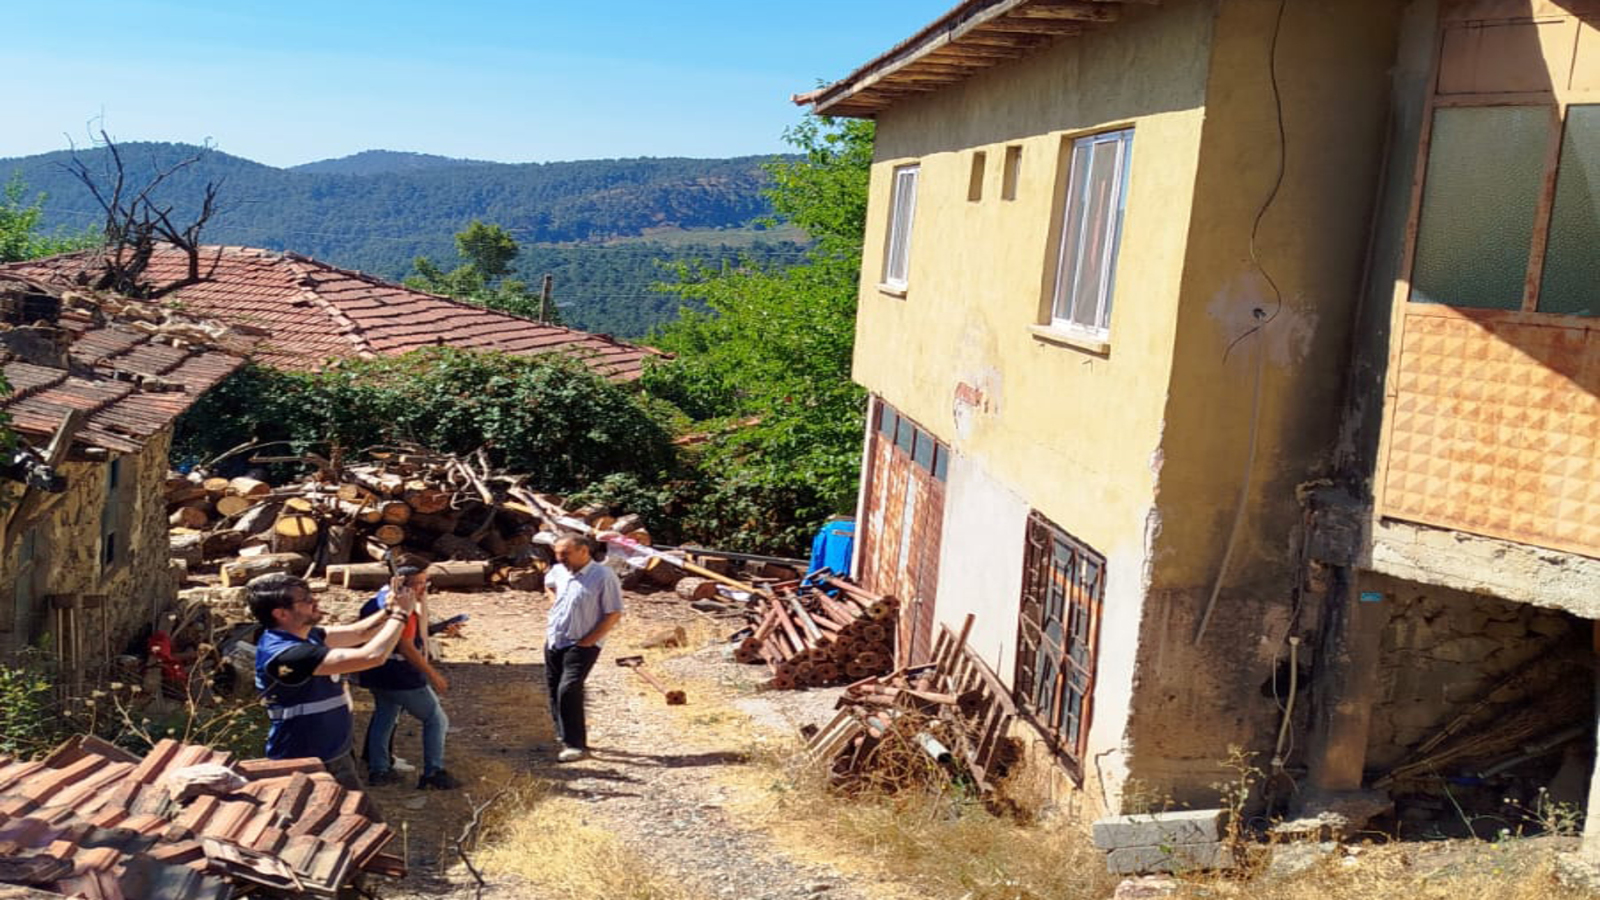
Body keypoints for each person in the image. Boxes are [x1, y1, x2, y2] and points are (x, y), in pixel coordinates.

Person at [249, 572, 416, 790]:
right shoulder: (287, 654)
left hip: (333, 751)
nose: (315, 601)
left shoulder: (305, 635)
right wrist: (401, 615)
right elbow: (371, 657)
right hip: (306, 760)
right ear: (281, 614)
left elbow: (359, 633)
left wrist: (389, 609)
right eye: (306, 599)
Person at [359, 566, 462, 790]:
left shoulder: (377, 601)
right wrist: (433, 674)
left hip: (376, 671)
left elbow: (412, 636)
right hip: (401, 675)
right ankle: (433, 772)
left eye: (426, 582)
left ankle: (379, 769)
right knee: (436, 719)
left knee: (385, 716)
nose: (424, 588)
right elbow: (407, 647)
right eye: (419, 583)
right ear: (402, 584)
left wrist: (427, 612)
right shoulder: (402, 608)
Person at [543, 534, 624, 762]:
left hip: (583, 642)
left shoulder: (603, 576)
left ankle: (576, 745)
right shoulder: (559, 570)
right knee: (554, 688)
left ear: (584, 551)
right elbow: (548, 583)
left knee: (569, 689)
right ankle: (562, 735)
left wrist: (590, 640)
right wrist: (556, 602)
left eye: (565, 554)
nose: (560, 558)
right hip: (555, 638)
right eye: (557, 554)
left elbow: (614, 612)